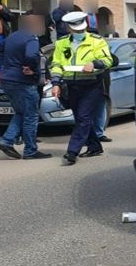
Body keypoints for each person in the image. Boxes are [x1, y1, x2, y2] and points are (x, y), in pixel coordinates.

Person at [49, 11, 114, 165]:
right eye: (76, 30)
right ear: (69, 28)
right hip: (71, 85)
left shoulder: (97, 41)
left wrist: (94, 64)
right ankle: (94, 146)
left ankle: (72, 151)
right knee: (80, 119)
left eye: (81, 29)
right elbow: (56, 64)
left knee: (84, 117)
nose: (79, 32)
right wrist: (56, 83)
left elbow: (108, 60)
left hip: (91, 85)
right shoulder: (61, 43)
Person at [0, 14, 51, 160]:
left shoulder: (13, 36)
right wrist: (31, 69)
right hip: (23, 82)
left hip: (8, 80)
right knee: (31, 116)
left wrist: (8, 66)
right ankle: (30, 150)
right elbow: (32, 56)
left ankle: (7, 141)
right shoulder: (31, 38)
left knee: (21, 112)